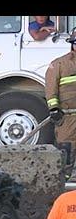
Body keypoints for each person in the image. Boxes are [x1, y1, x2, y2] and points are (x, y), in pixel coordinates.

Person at [46, 28, 76, 156]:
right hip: (67, 117)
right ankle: (64, 176)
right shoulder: (59, 64)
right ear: (73, 45)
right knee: (66, 152)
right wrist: (54, 109)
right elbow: (51, 88)